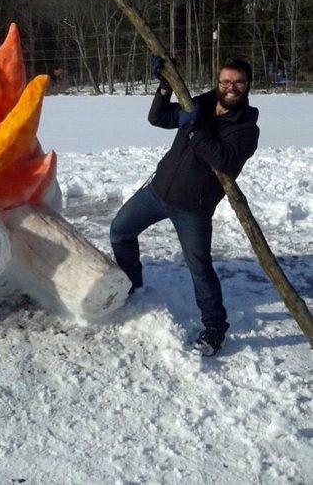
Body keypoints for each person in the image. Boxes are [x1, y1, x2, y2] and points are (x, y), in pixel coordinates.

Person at [110, 57, 260, 356]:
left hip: (194, 206)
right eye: (225, 81)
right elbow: (159, 118)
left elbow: (223, 159)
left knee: (199, 267)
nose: (231, 87)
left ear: (248, 85)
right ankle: (133, 286)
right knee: (120, 232)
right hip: (158, 190)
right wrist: (165, 89)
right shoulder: (200, 104)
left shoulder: (246, 128)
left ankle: (215, 326)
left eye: (238, 82)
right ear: (218, 82)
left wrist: (193, 130)